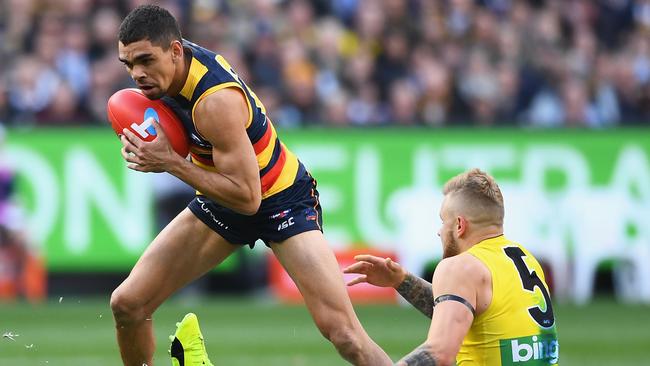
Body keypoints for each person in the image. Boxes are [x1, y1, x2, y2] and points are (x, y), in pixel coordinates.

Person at [110, 5, 392, 366]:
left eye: (146, 60)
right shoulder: (168, 71)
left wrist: (170, 163)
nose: (137, 74)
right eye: (128, 64)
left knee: (345, 335)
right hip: (223, 195)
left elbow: (248, 199)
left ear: (176, 50)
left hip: (280, 200)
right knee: (127, 304)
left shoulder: (214, 102)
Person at [344, 169, 559, 365]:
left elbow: (440, 352)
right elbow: (459, 312)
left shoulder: (459, 266)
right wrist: (402, 280)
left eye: (442, 221)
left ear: (459, 225)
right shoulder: (525, 258)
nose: (439, 232)